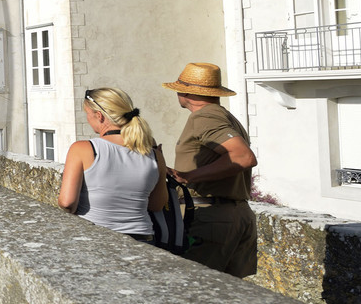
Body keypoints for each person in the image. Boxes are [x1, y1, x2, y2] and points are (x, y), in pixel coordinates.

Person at [165, 63, 259, 277]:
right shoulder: (224, 116)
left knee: (196, 292)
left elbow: (243, 156)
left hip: (211, 218)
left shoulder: (204, 117)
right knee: (230, 297)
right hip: (238, 214)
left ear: (185, 92)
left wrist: (188, 176)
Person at [57, 87, 167, 243]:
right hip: (143, 240)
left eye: (88, 114)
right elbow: (157, 205)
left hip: (96, 238)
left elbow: (67, 203)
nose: (87, 119)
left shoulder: (83, 149)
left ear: (99, 116)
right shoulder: (155, 155)